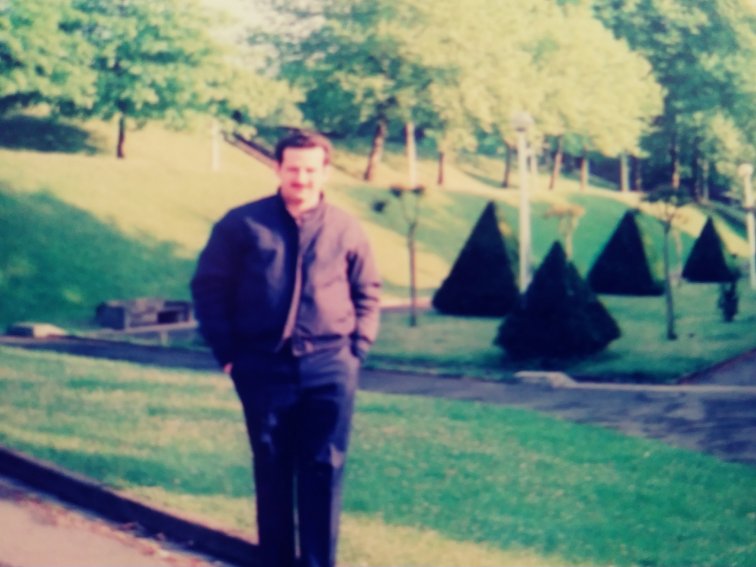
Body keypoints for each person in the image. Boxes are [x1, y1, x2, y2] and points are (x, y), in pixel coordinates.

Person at [190, 131, 381, 567]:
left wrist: (357, 349)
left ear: (325, 172)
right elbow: (209, 288)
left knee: (324, 468)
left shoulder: (346, 228)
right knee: (272, 466)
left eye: (311, 169)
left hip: (330, 366)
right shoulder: (242, 224)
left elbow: (368, 289)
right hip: (262, 366)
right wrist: (228, 353)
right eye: (293, 168)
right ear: (277, 168)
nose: (301, 178)